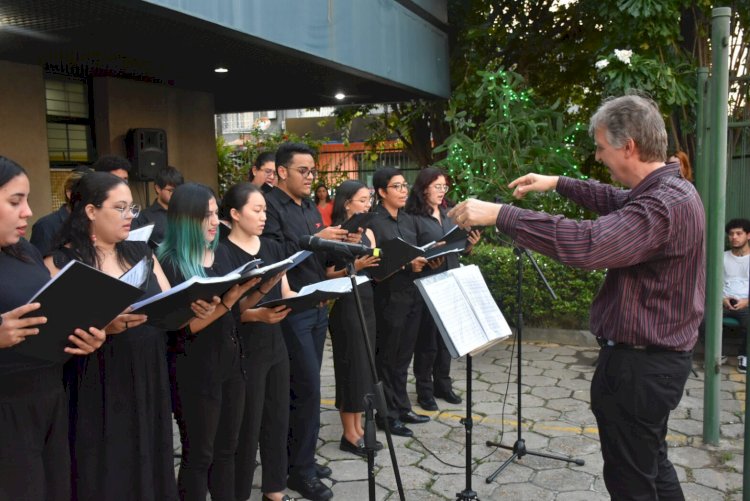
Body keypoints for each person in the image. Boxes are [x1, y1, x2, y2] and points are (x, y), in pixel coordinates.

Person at [449, 94, 705, 500]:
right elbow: (612, 199)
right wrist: (556, 183)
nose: (599, 157)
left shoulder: (663, 204)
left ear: (629, 146)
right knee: (651, 464)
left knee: (631, 480)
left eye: (602, 148)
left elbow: (588, 244)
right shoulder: (667, 190)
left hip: (640, 369)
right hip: (649, 364)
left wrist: (502, 214)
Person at [44, 171, 179, 500]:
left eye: (131, 207)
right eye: (119, 208)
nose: (130, 216)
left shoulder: (139, 252)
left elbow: (168, 298)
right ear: (91, 211)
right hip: (96, 379)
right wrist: (104, 325)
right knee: (106, 462)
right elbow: (52, 333)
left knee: (150, 453)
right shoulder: (60, 262)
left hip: (148, 369)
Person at [0, 156, 105, 500]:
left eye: (27, 200)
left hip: (49, 396)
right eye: (15, 201)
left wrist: (86, 333)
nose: (28, 212)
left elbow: (52, 310)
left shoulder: (25, 251)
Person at [157, 182, 261, 501]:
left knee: (227, 451)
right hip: (195, 371)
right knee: (199, 456)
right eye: (207, 215)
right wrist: (228, 301)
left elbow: (234, 308)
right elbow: (184, 329)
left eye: (216, 213)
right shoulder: (170, 263)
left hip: (231, 363)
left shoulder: (222, 252)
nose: (215, 221)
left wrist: (260, 286)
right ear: (186, 219)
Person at [263, 142, 349, 501]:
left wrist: (343, 241)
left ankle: (301, 458)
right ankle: (300, 471)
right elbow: (276, 252)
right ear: (282, 171)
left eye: (313, 171)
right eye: (304, 171)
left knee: (308, 386)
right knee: (305, 389)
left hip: (317, 306)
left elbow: (318, 252)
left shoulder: (311, 205)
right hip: (291, 309)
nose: (311, 177)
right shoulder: (268, 205)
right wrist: (316, 240)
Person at [215, 182, 293, 501]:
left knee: (277, 419)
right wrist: (254, 316)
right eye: (256, 210)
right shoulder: (222, 253)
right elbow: (224, 310)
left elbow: (286, 291)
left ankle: (274, 490)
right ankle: (240, 492)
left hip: (276, 343)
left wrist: (310, 299)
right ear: (234, 214)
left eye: (265, 210)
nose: (263, 216)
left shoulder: (273, 246)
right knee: (247, 427)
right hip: (244, 349)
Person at [405, 167, 481, 411]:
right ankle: (424, 389)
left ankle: (443, 384)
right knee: (427, 340)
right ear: (424, 187)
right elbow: (412, 251)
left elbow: (456, 246)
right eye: (437, 186)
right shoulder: (413, 217)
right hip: (428, 282)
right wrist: (430, 251)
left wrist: (468, 245)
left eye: (444, 187)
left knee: (446, 338)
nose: (442, 191)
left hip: (450, 279)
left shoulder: (449, 213)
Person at [368, 167, 430, 438]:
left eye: (405, 186)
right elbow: (376, 259)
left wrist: (427, 259)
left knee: (404, 356)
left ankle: (402, 407)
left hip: (412, 294)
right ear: (382, 192)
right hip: (388, 297)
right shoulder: (374, 222)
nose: (404, 191)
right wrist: (406, 262)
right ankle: (386, 414)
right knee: (388, 357)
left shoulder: (408, 220)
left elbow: (415, 250)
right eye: (397, 186)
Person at [325, 180, 382, 457]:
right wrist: (354, 266)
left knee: (365, 367)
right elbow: (327, 274)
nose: (367, 204)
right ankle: (348, 433)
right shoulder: (335, 233)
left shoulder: (368, 231)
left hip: (367, 298)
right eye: (362, 200)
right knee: (350, 366)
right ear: (347, 203)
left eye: (368, 199)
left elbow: (376, 259)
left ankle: (359, 428)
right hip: (345, 303)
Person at [30, 166, 92, 256]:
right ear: (70, 193)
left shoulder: (97, 223)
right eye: (87, 193)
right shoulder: (46, 226)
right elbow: (39, 266)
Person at [132, 165, 184, 248]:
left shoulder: (186, 213)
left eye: (179, 190)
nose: (176, 194)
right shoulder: (143, 217)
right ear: (158, 189)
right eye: (171, 190)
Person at [722, 218, 749, 373]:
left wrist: (747, 301)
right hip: (724, 301)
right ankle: (718, 353)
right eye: (731, 234)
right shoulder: (723, 257)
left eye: (739, 233)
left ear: (748, 235)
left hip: (745, 303)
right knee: (703, 317)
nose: (734, 237)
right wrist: (722, 299)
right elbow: (715, 282)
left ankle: (744, 356)